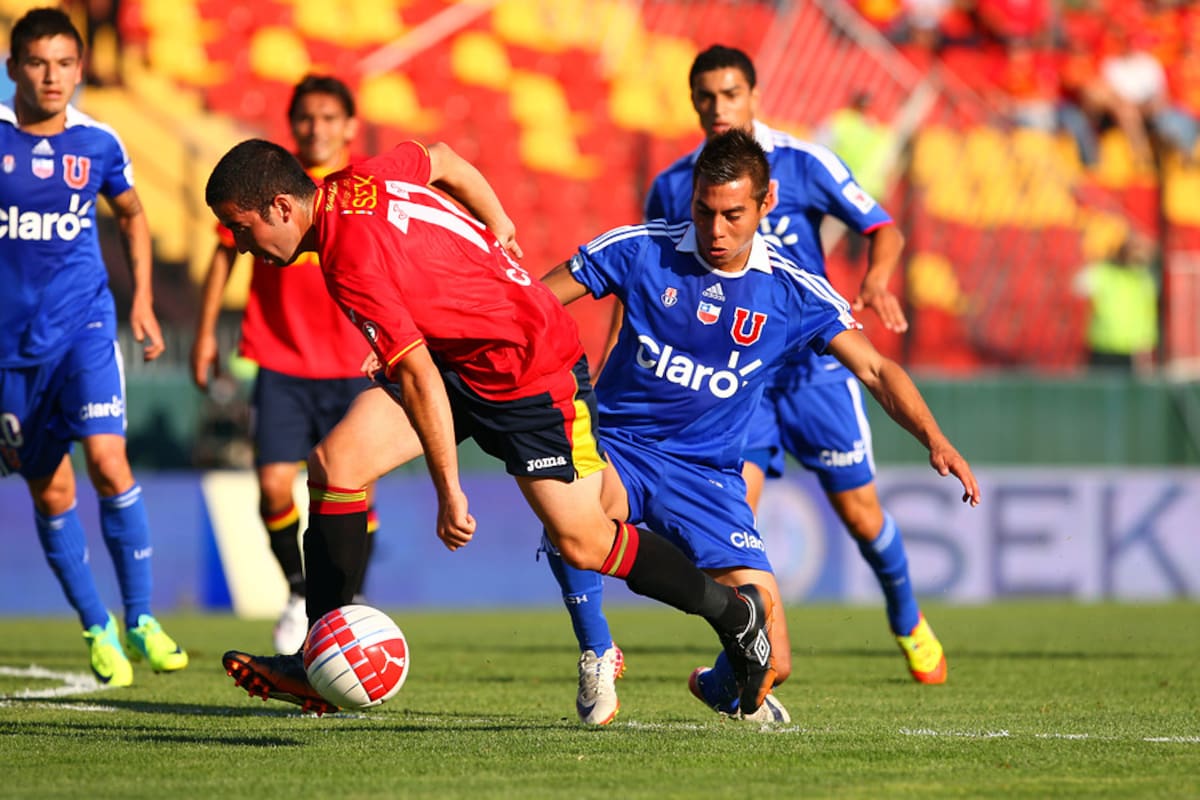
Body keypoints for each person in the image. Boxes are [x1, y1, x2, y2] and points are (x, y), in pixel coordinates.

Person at [205, 137, 780, 720]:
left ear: (281, 206)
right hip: (465, 360)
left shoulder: (346, 257)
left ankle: (734, 614)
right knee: (337, 463)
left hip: (533, 373)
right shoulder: (356, 180)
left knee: (583, 539)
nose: (241, 245)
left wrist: (448, 490)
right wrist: (499, 222)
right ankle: (315, 655)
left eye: (240, 227)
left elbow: (421, 381)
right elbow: (446, 158)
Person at [544, 44, 947, 721]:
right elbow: (560, 302)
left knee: (814, 592)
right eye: (705, 96)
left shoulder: (801, 183)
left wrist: (935, 435)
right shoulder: (660, 212)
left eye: (729, 93)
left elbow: (879, 306)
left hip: (801, 374)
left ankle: (882, 628)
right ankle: (597, 651)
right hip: (679, 420)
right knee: (572, 508)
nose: (714, 228)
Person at [0, 7, 187, 686]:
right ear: (14, 65)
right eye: (38, 63)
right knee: (51, 493)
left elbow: (133, 214)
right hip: (8, 354)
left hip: (83, 327)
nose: (53, 77)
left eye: (65, 64)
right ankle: (95, 626)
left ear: (80, 69)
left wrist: (139, 299)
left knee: (109, 462)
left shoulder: (99, 143)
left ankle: (141, 620)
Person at [190, 75, 381, 654]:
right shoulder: (267, 187)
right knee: (275, 487)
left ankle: (349, 602)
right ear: (293, 123)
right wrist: (204, 336)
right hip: (280, 359)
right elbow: (225, 255)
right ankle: (300, 594)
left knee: (352, 492)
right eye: (306, 118)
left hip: (353, 361)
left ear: (349, 126)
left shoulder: (361, 189)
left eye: (329, 118)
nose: (316, 128)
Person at [1073, 230, 1159, 372]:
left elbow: (1148, 315)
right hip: (1103, 348)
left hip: (1132, 351)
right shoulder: (1104, 273)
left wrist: (1145, 350)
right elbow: (1078, 286)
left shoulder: (1144, 279)